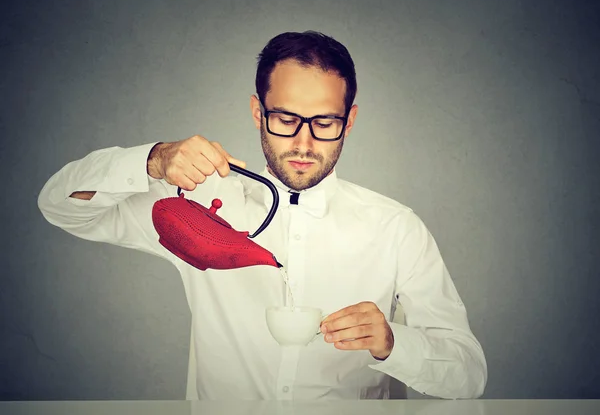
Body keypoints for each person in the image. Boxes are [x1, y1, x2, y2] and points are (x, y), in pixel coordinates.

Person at [37, 30, 487, 400]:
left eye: (325, 122)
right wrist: (153, 160)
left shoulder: (395, 228)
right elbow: (58, 205)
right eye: (286, 118)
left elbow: (468, 376)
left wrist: (393, 344)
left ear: (348, 121)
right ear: (258, 111)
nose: (305, 143)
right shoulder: (195, 205)